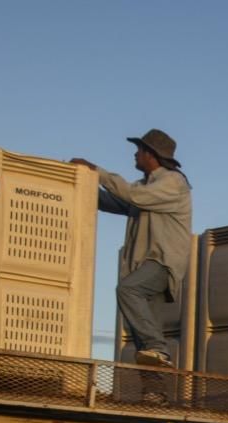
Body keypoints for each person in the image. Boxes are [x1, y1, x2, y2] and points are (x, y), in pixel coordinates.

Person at [72, 129, 192, 369]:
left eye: (139, 150)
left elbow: (133, 196)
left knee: (128, 291)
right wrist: (78, 186)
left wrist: (95, 172)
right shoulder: (146, 186)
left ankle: (159, 349)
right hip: (145, 264)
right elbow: (116, 201)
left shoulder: (172, 182)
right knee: (144, 338)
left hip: (161, 262)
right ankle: (155, 393)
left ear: (151, 154)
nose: (135, 155)